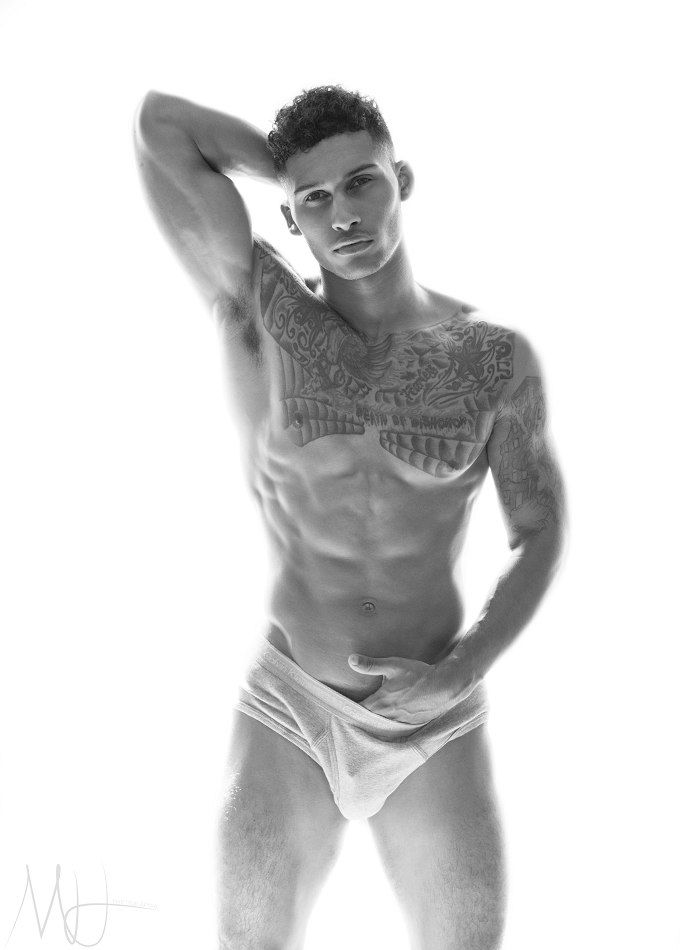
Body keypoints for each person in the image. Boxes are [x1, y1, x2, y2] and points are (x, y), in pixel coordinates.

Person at [133, 84, 566, 950]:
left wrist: (463, 668)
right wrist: (293, 173)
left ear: (402, 180)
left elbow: (538, 529)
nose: (344, 215)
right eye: (316, 200)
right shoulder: (259, 309)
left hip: (432, 714)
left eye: (363, 182)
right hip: (292, 706)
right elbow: (160, 125)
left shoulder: (490, 359)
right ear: (290, 217)